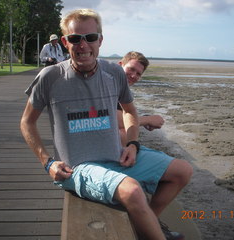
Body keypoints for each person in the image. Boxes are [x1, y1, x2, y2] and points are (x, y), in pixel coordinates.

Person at [20, 9, 191, 240]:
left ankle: (145, 224)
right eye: (75, 38)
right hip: (77, 168)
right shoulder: (50, 77)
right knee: (132, 190)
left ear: (100, 39)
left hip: (117, 156)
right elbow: (27, 122)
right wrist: (47, 162)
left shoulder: (113, 72)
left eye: (90, 38)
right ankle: (151, 230)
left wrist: (132, 144)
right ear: (64, 42)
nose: (83, 45)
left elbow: (129, 111)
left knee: (183, 171)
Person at [117, 51, 193, 239]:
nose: (134, 76)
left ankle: (147, 222)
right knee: (182, 171)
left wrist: (140, 123)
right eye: (131, 69)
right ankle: (146, 227)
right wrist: (146, 119)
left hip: (121, 151)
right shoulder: (107, 84)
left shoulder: (121, 89)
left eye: (138, 74)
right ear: (120, 65)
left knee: (183, 170)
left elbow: (124, 118)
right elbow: (113, 119)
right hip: (111, 155)